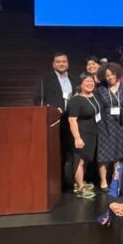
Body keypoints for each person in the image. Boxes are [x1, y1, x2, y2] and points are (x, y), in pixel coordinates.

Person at [33, 52, 78, 189]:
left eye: (64, 61)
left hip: (70, 121)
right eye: (58, 61)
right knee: (56, 152)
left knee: (71, 152)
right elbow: (38, 100)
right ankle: (55, 183)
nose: (61, 64)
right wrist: (52, 110)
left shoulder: (73, 79)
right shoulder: (45, 79)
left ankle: (69, 181)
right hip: (54, 121)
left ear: (68, 63)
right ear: (53, 64)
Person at [67, 74, 101, 198]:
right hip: (81, 133)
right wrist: (77, 138)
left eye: (91, 81)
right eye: (86, 81)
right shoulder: (76, 99)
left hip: (92, 133)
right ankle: (80, 188)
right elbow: (72, 120)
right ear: (80, 83)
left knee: (86, 159)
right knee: (79, 161)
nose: (89, 83)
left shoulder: (94, 96)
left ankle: (80, 182)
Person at [95, 62, 123, 190]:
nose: (110, 77)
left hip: (119, 124)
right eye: (107, 75)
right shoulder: (100, 89)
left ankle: (116, 179)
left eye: (112, 74)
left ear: (117, 74)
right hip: (104, 124)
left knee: (118, 153)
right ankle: (103, 181)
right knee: (103, 153)